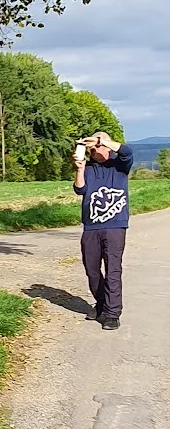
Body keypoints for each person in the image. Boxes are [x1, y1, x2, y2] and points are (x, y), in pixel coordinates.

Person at [73, 131, 133, 329]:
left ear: (107, 146)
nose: (93, 148)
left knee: (113, 269)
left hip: (115, 225)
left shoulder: (120, 165)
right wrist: (79, 169)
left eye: (97, 145)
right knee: (92, 270)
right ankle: (101, 304)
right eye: (91, 147)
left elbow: (127, 151)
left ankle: (112, 314)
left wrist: (101, 140)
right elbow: (79, 189)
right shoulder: (89, 167)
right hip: (91, 226)